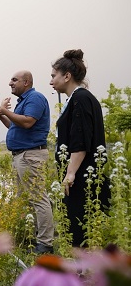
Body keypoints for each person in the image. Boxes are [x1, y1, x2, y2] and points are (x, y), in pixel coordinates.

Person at [50, 49, 111, 247]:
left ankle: (81, 273)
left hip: (82, 176)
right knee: (80, 226)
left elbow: (80, 142)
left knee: (78, 226)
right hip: (81, 173)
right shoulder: (78, 99)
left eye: (53, 76)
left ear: (67, 76)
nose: (51, 81)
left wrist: (70, 174)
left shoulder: (81, 99)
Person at [0, 70, 54, 254]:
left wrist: (5, 110)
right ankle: (30, 239)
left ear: (26, 82)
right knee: (24, 200)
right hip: (21, 156)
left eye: (14, 80)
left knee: (38, 198)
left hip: (31, 155)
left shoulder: (35, 98)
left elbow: (28, 122)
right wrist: (2, 115)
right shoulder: (24, 101)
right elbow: (16, 126)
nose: (10, 83)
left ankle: (45, 243)